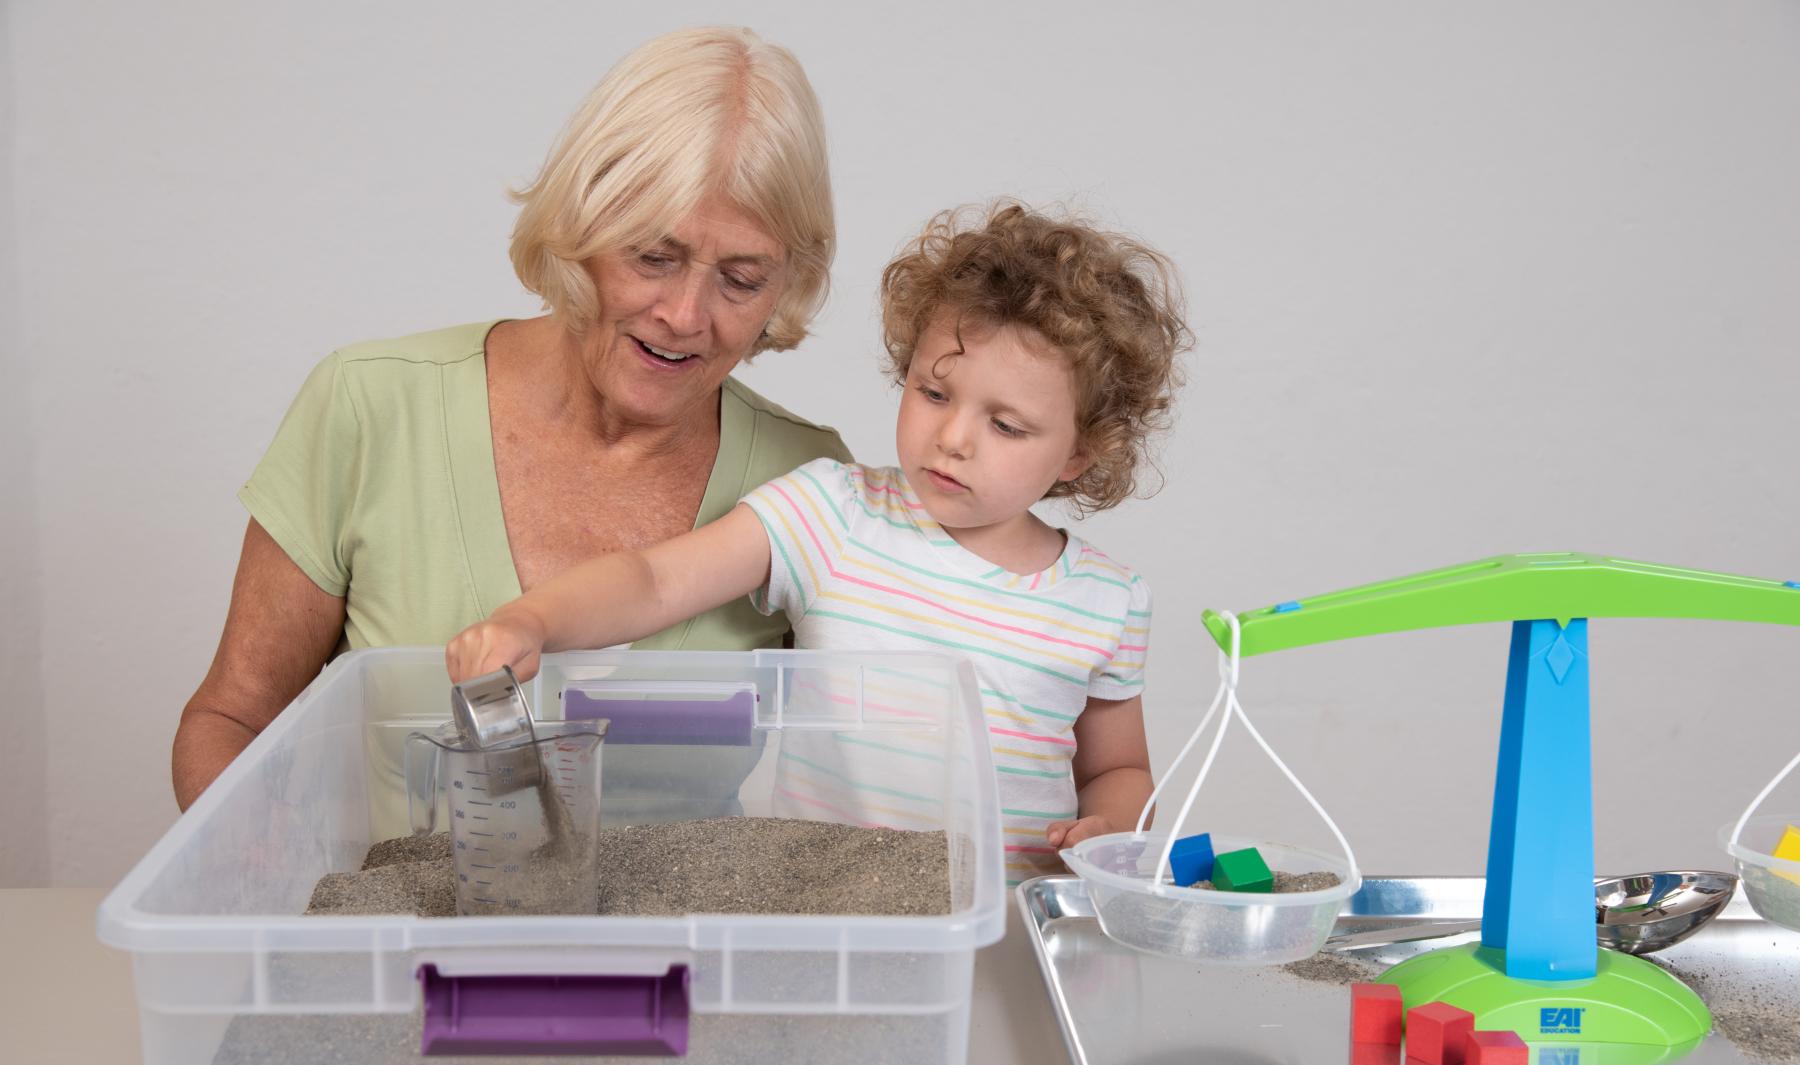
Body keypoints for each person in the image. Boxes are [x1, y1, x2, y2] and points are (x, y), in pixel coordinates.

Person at [171, 27, 851, 815]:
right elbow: (231, 717)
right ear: (583, 225)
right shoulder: (371, 407)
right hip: (399, 936)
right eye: (652, 257)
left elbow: (885, 755)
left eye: (741, 278)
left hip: (681, 944)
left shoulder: (813, 486)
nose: (685, 315)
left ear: (785, 286)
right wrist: (265, 885)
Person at [448, 202, 1191, 882]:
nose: (954, 438)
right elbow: (656, 582)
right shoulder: (834, 514)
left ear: (1077, 455)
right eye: (934, 393)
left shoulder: (1105, 602)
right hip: (826, 901)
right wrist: (532, 621)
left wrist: (1113, 828)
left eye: (1005, 425)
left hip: (1004, 920)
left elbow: (1119, 769)